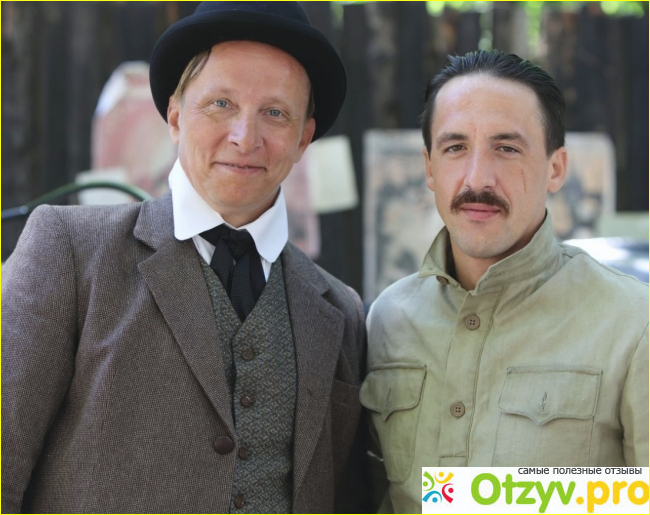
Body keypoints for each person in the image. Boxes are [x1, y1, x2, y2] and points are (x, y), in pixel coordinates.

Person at [2, 3, 369, 513]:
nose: (245, 137)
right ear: (175, 117)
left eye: (275, 113)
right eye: (220, 103)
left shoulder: (342, 312)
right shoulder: (69, 251)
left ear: (303, 138)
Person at [360, 49, 648, 513]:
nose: (478, 178)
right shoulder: (387, 320)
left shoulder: (633, 322)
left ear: (556, 168)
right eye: (455, 148)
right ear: (430, 168)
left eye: (507, 148)